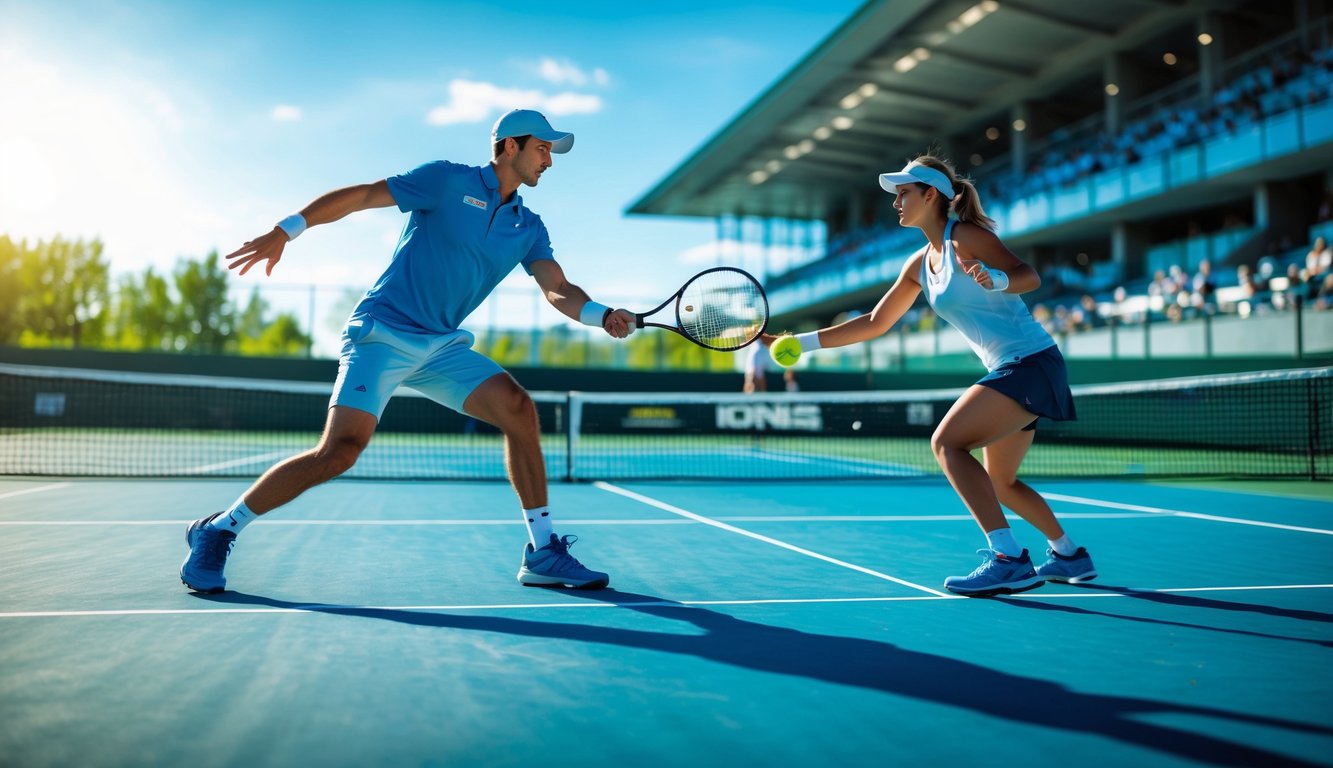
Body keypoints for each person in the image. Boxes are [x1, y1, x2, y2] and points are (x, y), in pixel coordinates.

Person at [181, 109, 633, 594]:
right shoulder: (445, 181)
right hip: (383, 331)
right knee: (339, 453)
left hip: (440, 345)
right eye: (542, 148)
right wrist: (287, 229)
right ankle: (219, 529)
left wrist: (601, 314)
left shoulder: (529, 227)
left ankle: (543, 552)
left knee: (519, 410)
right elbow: (361, 196)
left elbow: (557, 287)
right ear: (509, 146)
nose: (549, 160)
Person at [763, 155, 1095, 597]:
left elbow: (1028, 275)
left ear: (930, 195)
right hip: (1015, 369)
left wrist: (997, 279)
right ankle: (1069, 554)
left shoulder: (969, 238)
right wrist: (800, 344)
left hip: (1031, 362)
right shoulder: (919, 264)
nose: (896, 202)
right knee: (1001, 482)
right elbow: (875, 323)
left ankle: (1008, 558)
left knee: (946, 443)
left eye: (904, 193)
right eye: (897, 194)